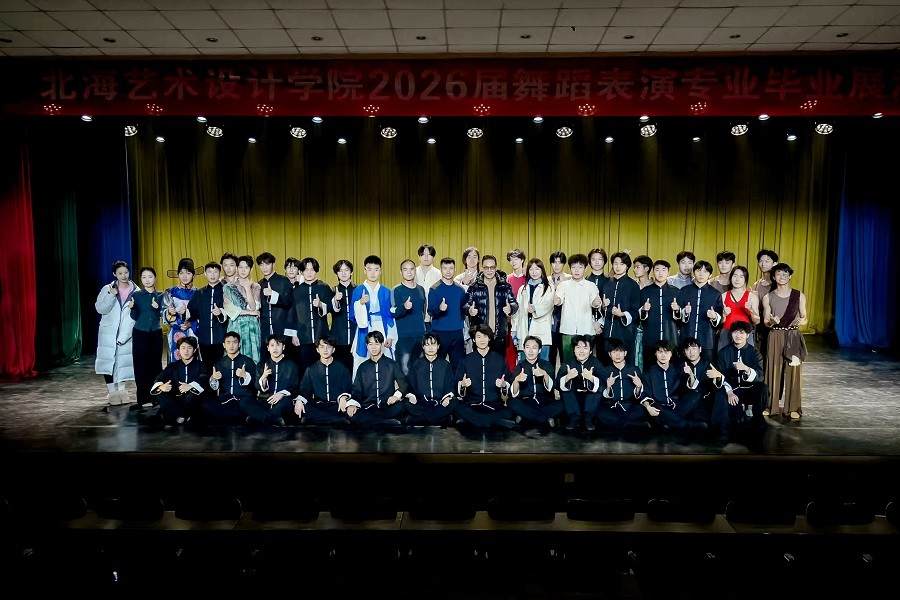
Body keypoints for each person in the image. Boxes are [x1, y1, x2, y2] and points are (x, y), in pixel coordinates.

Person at [762, 263, 808, 419]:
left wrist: (802, 321)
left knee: (793, 372)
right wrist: (772, 322)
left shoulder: (799, 296)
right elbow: (766, 321)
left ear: (790, 276)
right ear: (774, 277)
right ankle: (771, 405)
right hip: (775, 335)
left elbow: (805, 318)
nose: (782, 277)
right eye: (779, 274)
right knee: (772, 370)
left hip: (793, 335)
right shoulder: (768, 297)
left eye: (785, 274)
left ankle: (793, 407)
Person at [709, 321, 769, 436]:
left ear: (747, 335)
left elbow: (760, 376)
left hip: (749, 390)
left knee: (763, 389)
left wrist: (746, 369)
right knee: (735, 421)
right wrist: (729, 392)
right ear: (731, 334)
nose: (738, 336)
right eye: (735, 332)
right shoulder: (724, 352)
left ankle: (758, 416)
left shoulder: (754, 353)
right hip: (732, 390)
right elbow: (720, 374)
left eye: (742, 333)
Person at [636, 340, 707, 431]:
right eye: (660, 352)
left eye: (666, 352)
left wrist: (690, 374)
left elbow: (692, 386)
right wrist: (648, 407)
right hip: (660, 407)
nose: (663, 355)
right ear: (655, 353)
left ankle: (668, 423)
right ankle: (686, 424)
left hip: (677, 407)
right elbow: (645, 393)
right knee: (654, 408)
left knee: (696, 393)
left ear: (671, 354)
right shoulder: (649, 372)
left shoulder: (678, 368)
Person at [455, 324, 516, 429]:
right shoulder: (466, 360)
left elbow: (509, 381)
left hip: (494, 405)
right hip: (472, 405)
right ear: (474, 340)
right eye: (478, 337)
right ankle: (492, 422)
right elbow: (457, 382)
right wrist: (462, 384)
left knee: (510, 411)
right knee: (458, 409)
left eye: (485, 336)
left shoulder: (499, 360)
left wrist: (503, 385)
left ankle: (474, 421)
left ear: (489, 338)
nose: (482, 340)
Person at [95, 260, 138, 405]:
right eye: (120, 273)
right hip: (108, 332)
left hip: (126, 332)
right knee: (108, 362)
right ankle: (112, 392)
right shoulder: (107, 289)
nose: (124, 275)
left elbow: (137, 314)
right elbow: (100, 309)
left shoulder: (136, 291)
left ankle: (122, 391)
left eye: (126, 272)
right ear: (114, 274)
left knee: (123, 362)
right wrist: (110, 295)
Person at [284, 257, 333, 379]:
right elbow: (292, 314)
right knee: (304, 368)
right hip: (303, 336)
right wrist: (294, 335)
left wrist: (321, 305)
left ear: (316, 271)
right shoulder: (296, 291)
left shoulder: (324, 288)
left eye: (312, 270)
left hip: (321, 335)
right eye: (306, 270)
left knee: (321, 368)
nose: (309, 273)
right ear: (301, 272)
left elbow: (332, 308)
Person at [350, 255, 398, 377]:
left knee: (384, 357)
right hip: (364, 328)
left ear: (380, 271)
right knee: (363, 359)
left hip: (382, 327)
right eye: (370, 269)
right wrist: (360, 304)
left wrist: (390, 336)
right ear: (364, 270)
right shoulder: (358, 291)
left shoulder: (386, 291)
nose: (373, 273)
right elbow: (352, 315)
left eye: (376, 269)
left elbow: (390, 316)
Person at [552, 253, 602, 367]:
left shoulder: (591, 286)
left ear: (585, 268)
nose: (577, 270)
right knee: (567, 362)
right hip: (567, 329)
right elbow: (559, 300)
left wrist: (596, 303)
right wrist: (556, 300)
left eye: (580, 267)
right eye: (574, 267)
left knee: (586, 363)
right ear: (570, 268)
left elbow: (595, 302)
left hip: (586, 330)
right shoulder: (563, 285)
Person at [463, 254, 519, 356]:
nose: (489, 270)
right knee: (479, 364)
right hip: (480, 335)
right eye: (486, 267)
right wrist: (470, 310)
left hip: (499, 335)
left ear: (496, 268)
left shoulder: (505, 286)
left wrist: (510, 308)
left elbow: (515, 304)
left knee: (498, 363)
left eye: (492, 267)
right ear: (482, 268)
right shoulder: (474, 287)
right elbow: (465, 306)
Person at [349, 331, 407, 426]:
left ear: (382, 344)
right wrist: (352, 404)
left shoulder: (392, 364)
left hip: (388, 407)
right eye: (370, 344)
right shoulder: (363, 367)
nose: (374, 347)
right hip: (369, 407)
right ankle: (385, 423)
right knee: (352, 414)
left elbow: (404, 384)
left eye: (376, 343)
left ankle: (374, 422)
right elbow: (356, 390)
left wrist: (396, 396)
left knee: (402, 407)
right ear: (367, 346)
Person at [294, 335, 353, 426]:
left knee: (348, 409)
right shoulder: (311, 369)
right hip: (318, 405)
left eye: (328, 347)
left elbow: (348, 388)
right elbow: (304, 389)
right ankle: (336, 420)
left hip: (336, 405)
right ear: (317, 350)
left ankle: (322, 419)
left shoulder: (342, 368)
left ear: (333, 350)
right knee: (307, 409)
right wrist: (299, 400)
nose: (325, 350)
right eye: (322, 347)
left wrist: (343, 397)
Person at [149, 336, 209, 425]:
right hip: (175, 399)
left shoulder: (201, 365)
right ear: (178, 350)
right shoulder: (172, 366)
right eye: (183, 348)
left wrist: (190, 386)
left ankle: (171, 416)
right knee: (160, 392)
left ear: (194, 350)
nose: (186, 351)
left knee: (194, 394)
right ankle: (181, 416)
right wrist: (162, 386)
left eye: (189, 348)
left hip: (192, 400)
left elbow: (204, 378)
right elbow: (160, 377)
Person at [404, 332, 460, 426]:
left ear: (438, 346)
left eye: (433, 344)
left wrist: (447, 397)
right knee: (406, 403)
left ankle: (420, 418)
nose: (430, 348)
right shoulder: (416, 365)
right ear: (423, 347)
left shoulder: (445, 365)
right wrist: (412, 396)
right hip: (421, 403)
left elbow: (450, 385)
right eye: (427, 345)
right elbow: (410, 385)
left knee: (454, 402)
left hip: (440, 403)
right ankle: (440, 418)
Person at [673, 261, 724, 362]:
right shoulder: (684, 291)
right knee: (684, 367)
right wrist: (684, 312)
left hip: (707, 340)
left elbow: (720, 318)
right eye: (699, 270)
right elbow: (677, 318)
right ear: (694, 272)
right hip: (686, 337)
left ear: (710, 275)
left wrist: (714, 316)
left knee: (706, 368)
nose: (701, 274)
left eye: (705, 271)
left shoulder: (715, 294)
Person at [129, 266, 165, 408]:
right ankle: (143, 398)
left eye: (150, 276)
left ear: (155, 278)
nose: (147, 280)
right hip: (140, 332)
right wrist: (132, 308)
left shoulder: (161, 295)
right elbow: (134, 316)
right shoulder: (137, 295)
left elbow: (163, 316)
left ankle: (156, 397)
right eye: (144, 277)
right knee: (140, 365)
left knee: (155, 365)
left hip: (155, 332)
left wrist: (158, 309)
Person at [508, 336, 561, 430]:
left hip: (544, 402)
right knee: (511, 402)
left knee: (562, 404)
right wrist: (516, 380)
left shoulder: (547, 365)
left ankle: (526, 417)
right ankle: (544, 418)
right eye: (528, 347)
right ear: (524, 349)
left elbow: (552, 387)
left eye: (534, 347)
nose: (530, 351)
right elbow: (513, 393)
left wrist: (545, 375)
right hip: (526, 402)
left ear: (539, 350)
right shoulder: (519, 367)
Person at [247, 334, 299, 427]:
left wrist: (281, 394)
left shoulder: (292, 365)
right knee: (245, 401)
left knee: (287, 401)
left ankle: (260, 417)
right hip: (265, 401)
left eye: (278, 345)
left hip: (283, 401)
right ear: (268, 348)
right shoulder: (261, 365)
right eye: (272, 345)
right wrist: (264, 377)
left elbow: (295, 386)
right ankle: (272, 419)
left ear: (283, 347)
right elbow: (257, 387)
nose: (275, 348)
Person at [597, 339, 649, 431]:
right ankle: (631, 423)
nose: (617, 355)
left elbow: (640, 395)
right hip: (613, 406)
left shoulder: (634, 369)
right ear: (609, 354)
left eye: (620, 351)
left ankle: (621, 423)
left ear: (625, 353)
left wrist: (638, 386)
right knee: (601, 413)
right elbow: (603, 394)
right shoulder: (605, 371)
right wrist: (608, 386)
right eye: (614, 352)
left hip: (630, 406)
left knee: (642, 410)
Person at [599, 252, 640, 366]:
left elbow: (636, 311)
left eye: (622, 264)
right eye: (615, 263)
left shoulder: (633, 285)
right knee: (606, 365)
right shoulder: (606, 284)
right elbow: (600, 309)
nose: (618, 267)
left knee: (626, 366)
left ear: (627, 266)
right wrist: (603, 306)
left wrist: (622, 314)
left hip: (625, 334)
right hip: (607, 333)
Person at [206, 331, 256, 424]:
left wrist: (245, 376)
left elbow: (256, 384)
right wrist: (214, 379)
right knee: (206, 405)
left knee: (247, 405)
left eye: (234, 342)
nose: (231, 345)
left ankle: (234, 417)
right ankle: (240, 417)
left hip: (243, 400)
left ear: (239, 344)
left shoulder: (248, 361)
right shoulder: (219, 363)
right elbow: (214, 388)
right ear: (224, 345)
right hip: (225, 400)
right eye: (228, 342)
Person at [556, 334, 604, 432]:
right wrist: (568, 377)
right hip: (574, 399)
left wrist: (591, 378)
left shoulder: (595, 362)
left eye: (585, 348)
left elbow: (604, 381)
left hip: (590, 401)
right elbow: (557, 383)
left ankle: (588, 419)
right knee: (565, 390)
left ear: (590, 351)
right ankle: (574, 418)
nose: (581, 351)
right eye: (578, 347)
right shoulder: (568, 362)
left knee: (598, 389)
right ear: (574, 350)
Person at [639, 260, 680, 369]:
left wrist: (677, 310)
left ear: (668, 272)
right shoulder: (645, 292)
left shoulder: (676, 292)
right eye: (657, 270)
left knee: (673, 370)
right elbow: (639, 318)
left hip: (671, 338)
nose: (660, 273)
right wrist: (644, 310)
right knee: (649, 370)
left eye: (663, 270)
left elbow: (681, 320)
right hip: (650, 339)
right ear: (653, 272)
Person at [427, 257, 467, 369]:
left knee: (458, 366)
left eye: (451, 268)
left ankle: (456, 382)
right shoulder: (434, 289)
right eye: (445, 268)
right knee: (438, 365)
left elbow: (463, 310)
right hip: (440, 333)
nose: (448, 271)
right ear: (441, 270)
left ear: (455, 270)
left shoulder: (460, 289)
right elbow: (430, 311)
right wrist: (439, 309)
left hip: (457, 332)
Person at [187, 261, 228, 367]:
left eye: (215, 272)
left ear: (219, 273)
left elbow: (231, 311)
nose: (212, 275)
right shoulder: (199, 293)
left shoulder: (226, 291)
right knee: (207, 368)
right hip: (204, 338)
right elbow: (192, 312)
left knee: (222, 368)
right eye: (209, 272)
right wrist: (184, 312)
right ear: (205, 274)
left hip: (221, 338)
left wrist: (220, 313)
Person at [222, 254, 261, 364]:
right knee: (234, 356)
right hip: (235, 325)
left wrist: (248, 288)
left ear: (251, 269)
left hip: (252, 327)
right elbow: (230, 310)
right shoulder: (228, 287)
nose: (243, 270)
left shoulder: (256, 286)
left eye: (246, 267)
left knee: (252, 357)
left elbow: (254, 307)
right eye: (240, 267)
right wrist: (251, 313)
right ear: (237, 268)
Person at [513, 258, 554, 362]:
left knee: (542, 363)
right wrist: (514, 330)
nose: (534, 272)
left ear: (542, 270)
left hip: (542, 330)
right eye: (531, 269)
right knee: (524, 363)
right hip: (524, 330)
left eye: (537, 269)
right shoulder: (522, 289)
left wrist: (535, 308)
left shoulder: (548, 287)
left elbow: (548, 305)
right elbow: (517, 311)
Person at [256, 252, 294, 364]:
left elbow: (289, 301)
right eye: (261, 265)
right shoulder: (259, 284)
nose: (264, 267)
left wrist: (273, 294)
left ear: (273, 264)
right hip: (264, 328)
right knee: (266, 361)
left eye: (267, 264)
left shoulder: (283, 281)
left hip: (282, 327)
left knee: (285, 360)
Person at [392, 259, 427, 376]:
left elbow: (423, 311)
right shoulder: (397, 290)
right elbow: (393, 313)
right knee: (404, 369)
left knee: (420, 369)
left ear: (415, 271)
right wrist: (404, 307)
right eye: (405, 269)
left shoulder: (421, 289)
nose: (409, 272)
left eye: (412, 269)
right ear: (401, 272)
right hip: (404, 336)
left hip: (420, 335)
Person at [163, 257, 198, 362]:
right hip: (175, 332)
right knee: (176, 360)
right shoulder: (170, 292)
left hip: (192, 333)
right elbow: (164, 313)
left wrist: (191, 324)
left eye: (188, 273)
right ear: (178, 274)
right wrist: (169, 312)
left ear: (193, 275)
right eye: (181, 273)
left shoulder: (198, 293)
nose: (184, 276)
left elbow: (202, 315)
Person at [719, 265, 760, 350]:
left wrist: (751, 310)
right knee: (724, 357)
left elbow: (757, 321)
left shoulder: (752, 297)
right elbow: (720, 322)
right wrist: (724, 315)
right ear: (731, 278)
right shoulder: (723, 296)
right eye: (735, 276)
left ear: (745, 279)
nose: (737, 279)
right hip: (727, 333)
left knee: (746, 358)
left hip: (745, 334)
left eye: (741, 277)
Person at [329, 259, 356, 373]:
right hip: (338, 337)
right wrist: (335, 300)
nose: (343, 273)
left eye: (346, 270)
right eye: (340, 270)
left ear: (351, 272)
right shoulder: (331, 290)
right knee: (339, 371)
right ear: (336, 273)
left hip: (355, 338)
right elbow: (329, 310)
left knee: (355, 369)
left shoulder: (358, 290)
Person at [753, 248, 780, 360]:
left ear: (775, 263)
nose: (763, 264)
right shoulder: (757, 284)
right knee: (759, 353)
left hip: (774, 322)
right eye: (761, 261)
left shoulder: (778, 284)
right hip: (759, 323)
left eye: (767, 261)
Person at [547, 251, 571, 369]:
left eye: (560, 262)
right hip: (549, 323)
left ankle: (565, 379)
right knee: (550, 357)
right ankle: (550, 380)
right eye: (554, 262)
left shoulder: (570, 279)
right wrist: (554, 289)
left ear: (564, 264)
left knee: (565, 357)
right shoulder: (546, 280)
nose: (556, 265)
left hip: (566, 323)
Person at [505, 248, 528, 370]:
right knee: (509, 352)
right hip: (509, 320)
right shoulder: (507, 279)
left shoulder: (528, 279)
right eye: (511, 259)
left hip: (524, 320)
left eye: (516, 259)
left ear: (522, 260)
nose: (513, 262)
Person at [631, 255, 653, 371]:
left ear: (647, 268)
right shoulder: (632, 285)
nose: (635, 270)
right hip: (635, 326)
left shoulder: (655, 285)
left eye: (637, 267)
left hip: (651, 326)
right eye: (634, 267)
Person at [587, 248, 609, 361]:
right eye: (593, 259)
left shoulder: (610, 282)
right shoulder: (584, 281)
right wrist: (592, 323)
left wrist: (600, 323)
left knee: (604, 358)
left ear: (604, 261)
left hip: (604, 326)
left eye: (600, 259)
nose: (596, 262)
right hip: (586, 324)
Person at [416, 244, 442, 331]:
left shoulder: (439, 274)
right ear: (419, 257)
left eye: (429, 254)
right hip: (416, 315)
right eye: (423, 254)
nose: (426, 257)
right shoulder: (413, 272)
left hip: (434, 316)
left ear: (433, 257)